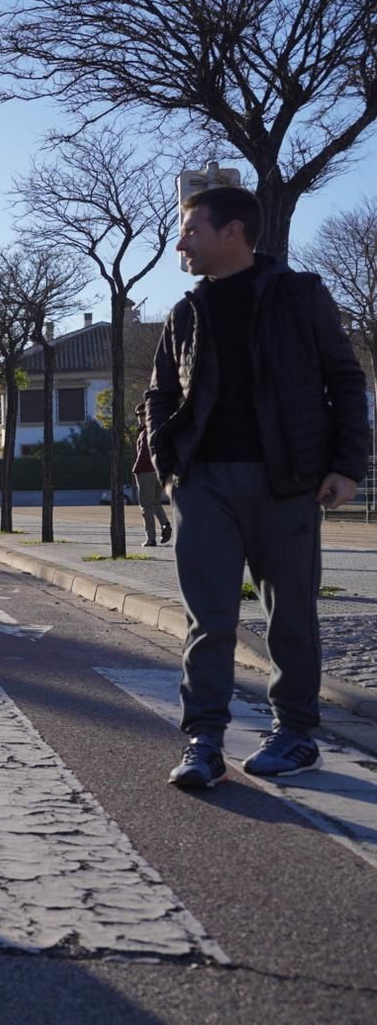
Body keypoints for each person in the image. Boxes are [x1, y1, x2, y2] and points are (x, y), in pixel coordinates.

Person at [146, 184, 369, 789]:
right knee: (208, 618)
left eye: (191, 230)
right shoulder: (186, 311)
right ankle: (204, 742)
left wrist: (348, 465)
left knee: (290, 615)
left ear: (234, 232)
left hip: (287, 481)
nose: (180, 242)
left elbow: (345, 381)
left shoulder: (300, 296)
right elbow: (160, 394)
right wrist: (171, 470)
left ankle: (295, 733)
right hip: (204, 484)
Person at [132, 408, 171, 548]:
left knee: (145, 506)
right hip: (158, 472)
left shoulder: (144, 433)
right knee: (155, 502)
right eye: (138, 414)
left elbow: (143, 454)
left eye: (142, 414)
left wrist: (136, 469)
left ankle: (150, 539)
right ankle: (165, 524)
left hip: (146, 472)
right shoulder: (159, 429)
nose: (140, 417)